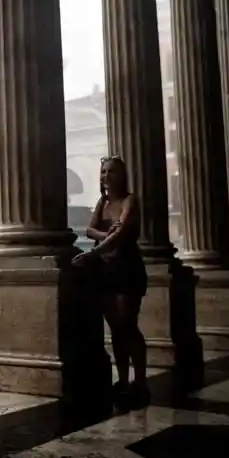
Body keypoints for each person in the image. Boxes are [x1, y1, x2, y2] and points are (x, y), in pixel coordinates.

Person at [72, 155, 149, 408]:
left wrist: (94, 251)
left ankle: (140, 380)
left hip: (127, 267)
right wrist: (107, 234)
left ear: (122, 175)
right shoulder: (103, 202)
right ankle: (124, 380)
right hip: (106, 270)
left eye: (112, 171)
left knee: (129, 325)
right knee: (115, 328)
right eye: (104, 171)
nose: (107, 176)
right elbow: (89, 230)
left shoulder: (130, 200)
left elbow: (123, 233)